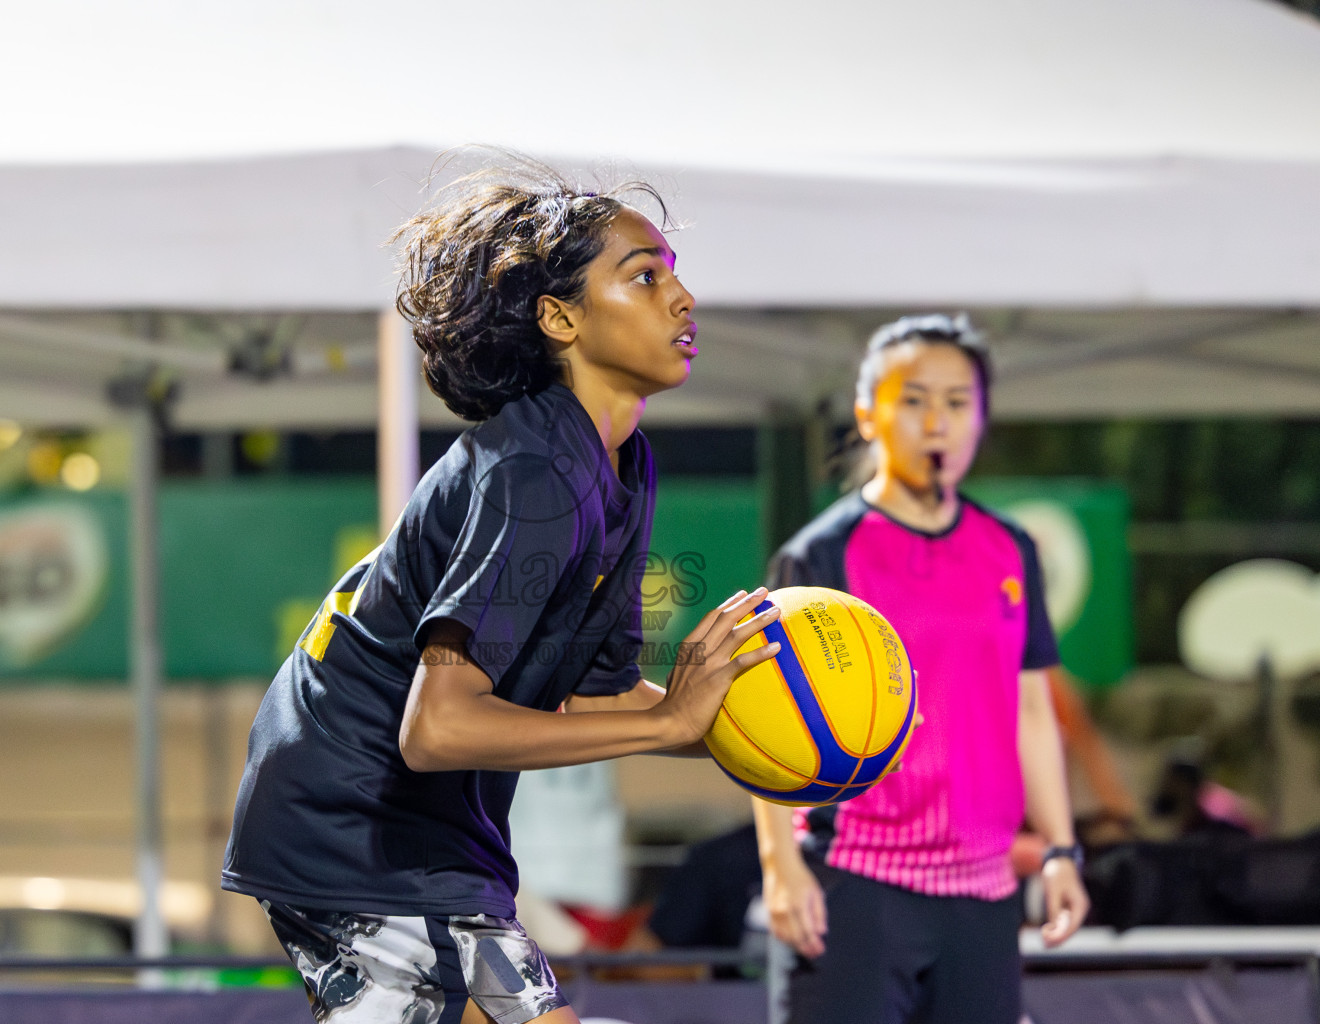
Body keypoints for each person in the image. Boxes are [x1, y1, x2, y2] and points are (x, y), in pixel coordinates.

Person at [222, 162, 782, 1024]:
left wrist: (747, 728)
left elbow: (588, 698)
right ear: (560, 318)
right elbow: (437, 726)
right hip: (354, 824)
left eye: (673, 272)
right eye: (644, 275)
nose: (682, 298)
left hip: (415, 834)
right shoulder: (536, 473)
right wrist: (670, 721)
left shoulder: (621, 467)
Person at [754, 313, 1090, 1024]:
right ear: (868, 414)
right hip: (856, 882)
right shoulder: (821, 556)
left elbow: (1034, 711)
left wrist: (1061, 850)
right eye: (914, 399)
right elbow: (764, 716)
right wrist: (779, 862)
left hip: (985, 891)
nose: (936, 421)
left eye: (957, 402)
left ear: (981, 420)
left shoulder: (1011, 549)